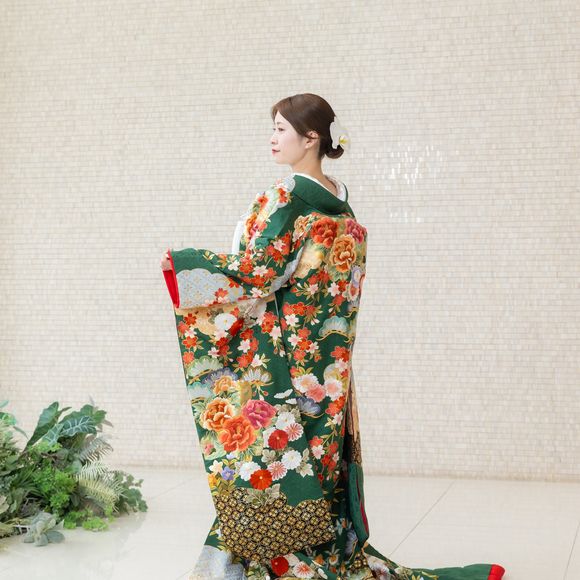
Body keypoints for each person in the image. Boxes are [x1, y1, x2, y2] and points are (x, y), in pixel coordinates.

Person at [161, 93, 506, 580]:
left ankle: (272, 567)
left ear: (311, 139)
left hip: (287, 358)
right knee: (317, 460)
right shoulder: (341, 202)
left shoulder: (286, 198)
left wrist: (186, 265)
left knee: (278, 462)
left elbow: (258, 271)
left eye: (281, 129)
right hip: (330, 360)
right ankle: (320, 557)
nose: (272, 138)